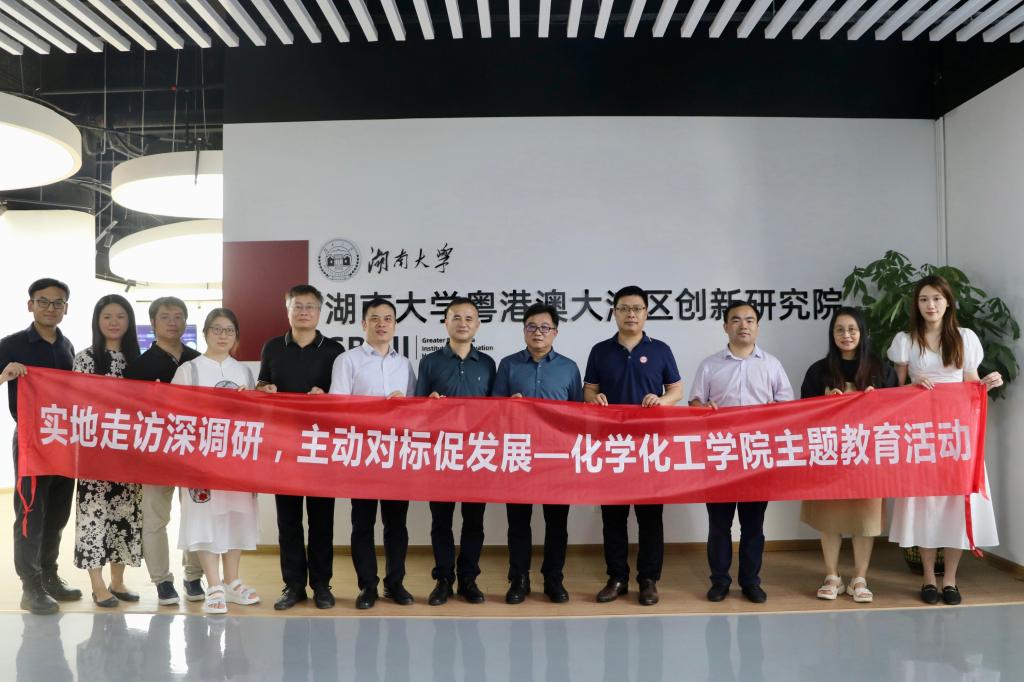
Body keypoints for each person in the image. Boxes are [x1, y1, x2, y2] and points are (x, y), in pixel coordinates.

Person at [887, 275, 1002, 605]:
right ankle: (927, 577)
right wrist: (912, 387)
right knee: (924, 505)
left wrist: (987, 384)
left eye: (936, 298)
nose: (930, 305)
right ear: (916, 304)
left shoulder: (965, 338)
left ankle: (949, 580)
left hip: (957, 434)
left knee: (955, 504)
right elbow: (895, 393)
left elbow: (972, 385)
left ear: (948, 302)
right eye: (924, 299)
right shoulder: (906, 341)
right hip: (921, 435)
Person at [584, 285, 683, 606]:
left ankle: (648, 580)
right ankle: (617, 578)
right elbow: (588, 391)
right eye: (624, 308)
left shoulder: (661, 350)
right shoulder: (600, 350)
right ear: (614, 313)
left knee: (650, 517)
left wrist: (662, 400)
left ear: (646, 313)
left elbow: (677, 390)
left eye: (637, 308)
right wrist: (595, 398)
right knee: (613, 517)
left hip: (649, 446)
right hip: (611, 445)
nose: (631, 314)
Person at [690, 300, 793, 604]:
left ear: (758, 327)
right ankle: (719, 581)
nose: (743, 325)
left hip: (757, 456)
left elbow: (788, 407)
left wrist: (775, 411)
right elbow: (694, 403)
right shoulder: (710, 365)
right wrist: (703, 408)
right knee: (719, 524)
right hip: (720, 454)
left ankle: (750, 581)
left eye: (749, 320)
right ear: (725, 327)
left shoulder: (771, 364)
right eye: (736, 320)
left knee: (753, 525)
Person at [799, 306, 898, 603]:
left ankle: (859, 578)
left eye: (852, 329)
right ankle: (832, 576)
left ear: (862, 332)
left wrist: (877, 403)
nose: (846, 335)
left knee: (864, 519)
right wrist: (824, 403)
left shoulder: (880, 369)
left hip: (868, 456)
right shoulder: (818, 371)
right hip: (829, 455)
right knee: (829, 517)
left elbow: (897, 411)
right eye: (840, 329)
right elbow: (801, 413)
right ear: (832, 334)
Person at [256, 284, 344, 610]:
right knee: (288, 521)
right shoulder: (272, 347)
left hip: (321, 446)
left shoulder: (334, 350)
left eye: (310, 307)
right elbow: (262, 382)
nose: (304, 312)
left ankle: (321, 585)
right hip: (284, 445)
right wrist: (265, 388)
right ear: (288, 310)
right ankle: (293, 586)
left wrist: (327, 397)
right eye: (298, 306)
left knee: (322, 521)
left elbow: (344, 398)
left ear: (320, 312)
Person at [329, 297, 416, 609]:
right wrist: (373, 409)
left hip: (396, 454)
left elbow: (416, 413)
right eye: (375, 318)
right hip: (362, 454)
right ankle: (367, 586)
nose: (382, 324)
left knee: (397, 524)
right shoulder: (347, 360)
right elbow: (337, 408)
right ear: (363, 324)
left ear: (395, 325)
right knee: (362, 524)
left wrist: (403, 405)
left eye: (388, 318)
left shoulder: (404, 364)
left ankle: (395, 583)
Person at [493, 302, 583, 605]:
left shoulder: (569, 368)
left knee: (557, 524)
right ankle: (518, 579)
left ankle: (553, 578)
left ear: (555, 332)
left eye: (545, 327)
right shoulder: (508, 365)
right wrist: (509, 405)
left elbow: (578, 415)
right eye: (532, 326)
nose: (538, 332)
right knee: (518, 523)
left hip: (557, 457)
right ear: (524, 331)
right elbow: (493, 411)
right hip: (518, 454)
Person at [172, 308, 260, 614]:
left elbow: (255, 417)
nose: (223, 335)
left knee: (236, 516)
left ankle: (232, 581)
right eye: (217, 329)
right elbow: (174, 415)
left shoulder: (244, 372)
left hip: (237, 458)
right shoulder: (189, 370)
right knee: (205, 518)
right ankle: (213, 585)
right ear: (206, 332)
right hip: (202, 459)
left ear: (236, 336)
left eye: (229, 331)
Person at [0, 278, 80, 614]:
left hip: (65, 440)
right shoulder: (11, 344)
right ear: (30, 305)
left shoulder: (67, 347)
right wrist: (5, 374)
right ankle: (30, 587)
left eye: (57, 302)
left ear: (66, 308)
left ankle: (49, 575)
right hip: (32, 441)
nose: (51, 308)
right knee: (31, 512)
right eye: (43, 301)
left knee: (58, 512)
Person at [415, 297, 496, 606]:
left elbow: (497, 411)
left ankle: (469, 579)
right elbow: (417, 410)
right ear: (445, 322)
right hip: (441, 453)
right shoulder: (430, 362)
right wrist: (429, 404)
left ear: (478, 325)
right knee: (441, 521)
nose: (463, 323)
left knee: (474, 521)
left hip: (477, 453)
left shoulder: (488, 363)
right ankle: (443, 579)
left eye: (469, 318)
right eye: (456, 317)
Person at [123, 296, 203, 606]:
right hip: (155, 454)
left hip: (195, 452)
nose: (173, 322)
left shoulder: (199, 362)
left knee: (197, 514)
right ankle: (162, 581)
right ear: (153, 323)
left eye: (179, 316)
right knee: (156, 518)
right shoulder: (138, 367)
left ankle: (193, 576)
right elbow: (129, 414)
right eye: (166, 317)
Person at [72, 294, 144, 607]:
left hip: (130, 455)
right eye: (107, 317)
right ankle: (98, 585)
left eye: (120, 316)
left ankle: (118, 581)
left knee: (125, 518)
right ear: (97, 321)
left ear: (130, 322)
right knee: (93, 519)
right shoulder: (85, 359)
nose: (114, 323)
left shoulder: (139, 361)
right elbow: (77, 405)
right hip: (95, 455)